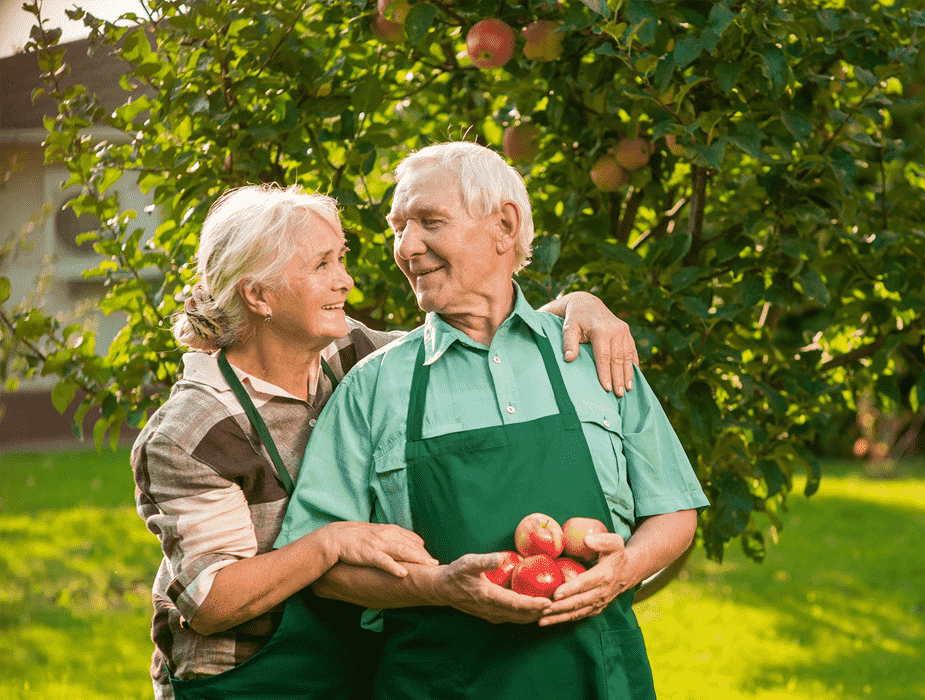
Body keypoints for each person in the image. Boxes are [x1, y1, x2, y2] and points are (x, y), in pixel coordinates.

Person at [130, 182, 640, 700]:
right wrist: (332, 541)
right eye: (322, 266)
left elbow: (470, 336)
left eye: (341, 260)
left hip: (351, 661)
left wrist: (578, 306)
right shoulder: (191, 433)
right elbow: (212, 602)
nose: (345, 282)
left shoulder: (350, 354)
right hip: (246, 677)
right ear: (258, 296)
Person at [278, 142, 711, 700]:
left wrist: (621, 573)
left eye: (429, 221)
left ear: (503, 226)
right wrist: (437, 587)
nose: (407, 247)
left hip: (596, 680)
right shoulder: (374, 386)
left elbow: (673, 509)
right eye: (397, 227)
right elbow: (321, 564)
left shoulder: (594, 356)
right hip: (437, 683)